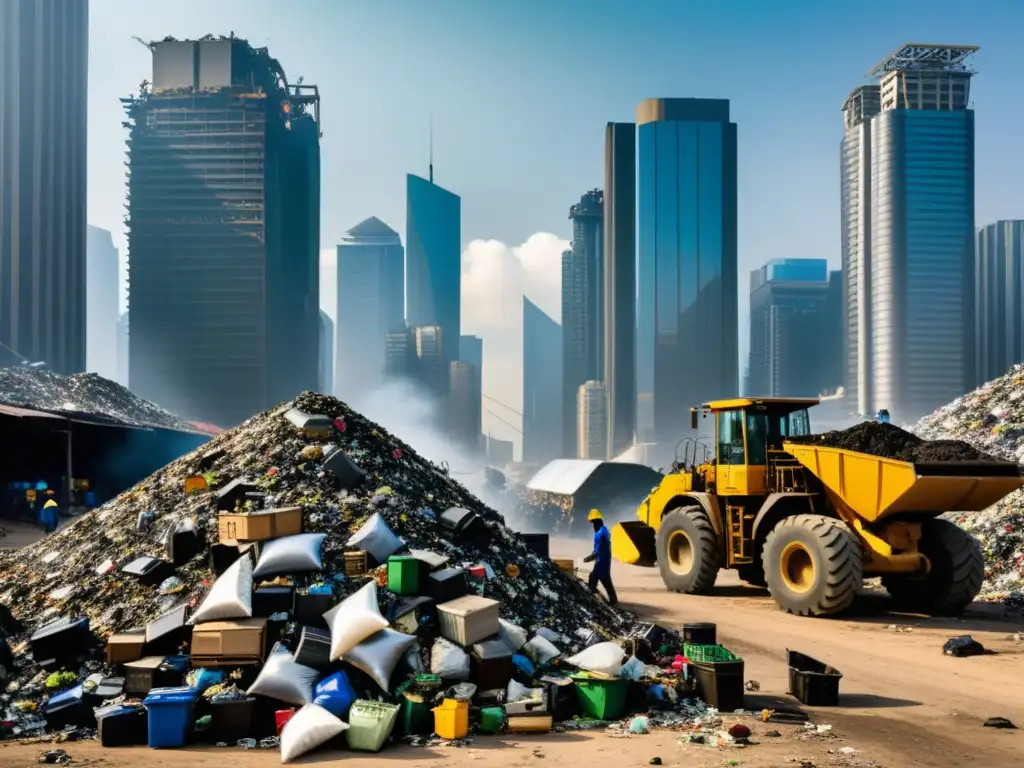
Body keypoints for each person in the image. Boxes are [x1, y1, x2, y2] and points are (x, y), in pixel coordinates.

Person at [583, 509, 618, 606]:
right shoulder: (605, 530)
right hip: (606, 560)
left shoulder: (599, 534)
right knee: (606, 582)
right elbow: (600, 548)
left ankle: (591, 599)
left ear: (596, 523)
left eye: (593, 523)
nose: (593, 526)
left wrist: (587, 559)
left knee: (595, 578)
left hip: (601, 562)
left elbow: (597, 551)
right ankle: (613, 600)